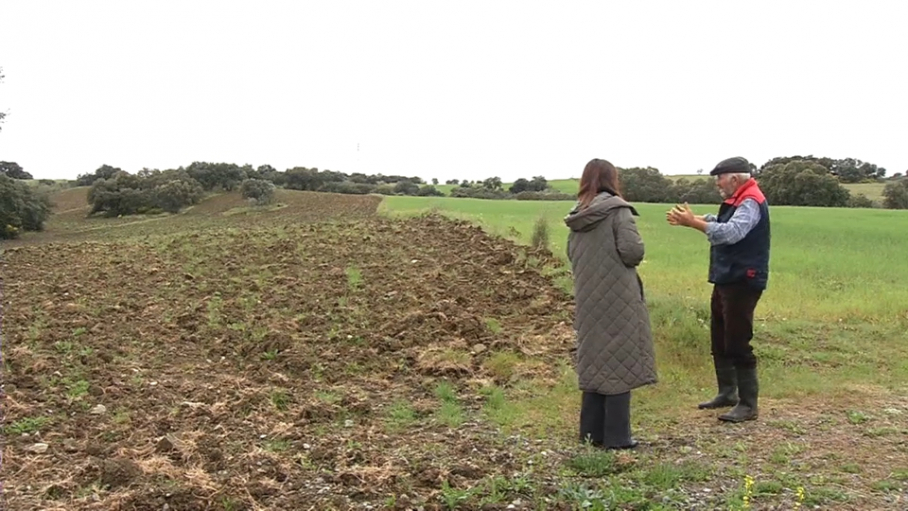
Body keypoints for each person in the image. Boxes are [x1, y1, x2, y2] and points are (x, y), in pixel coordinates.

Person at [666, 156, 770, 423]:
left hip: (743, 280)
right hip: (727, 277)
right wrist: (692, 219)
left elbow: (731, 232)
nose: (717, 184)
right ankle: (727, 393)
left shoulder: (750, 201)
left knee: (737, 340)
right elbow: (719, 220)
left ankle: (748, 404)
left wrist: (694, 224)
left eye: (719, 178)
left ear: (734, 179)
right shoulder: (738, 200)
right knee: (720, 336)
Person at [564, 158, 657, 449]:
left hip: (588, 297)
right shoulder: (618, 211)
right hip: (619, 297)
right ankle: (618, 437)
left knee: (594, 361)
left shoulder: (577, 215)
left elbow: (571, 255)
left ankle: (591, 434)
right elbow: (632, 252)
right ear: (612, 179)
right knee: (620, 361)